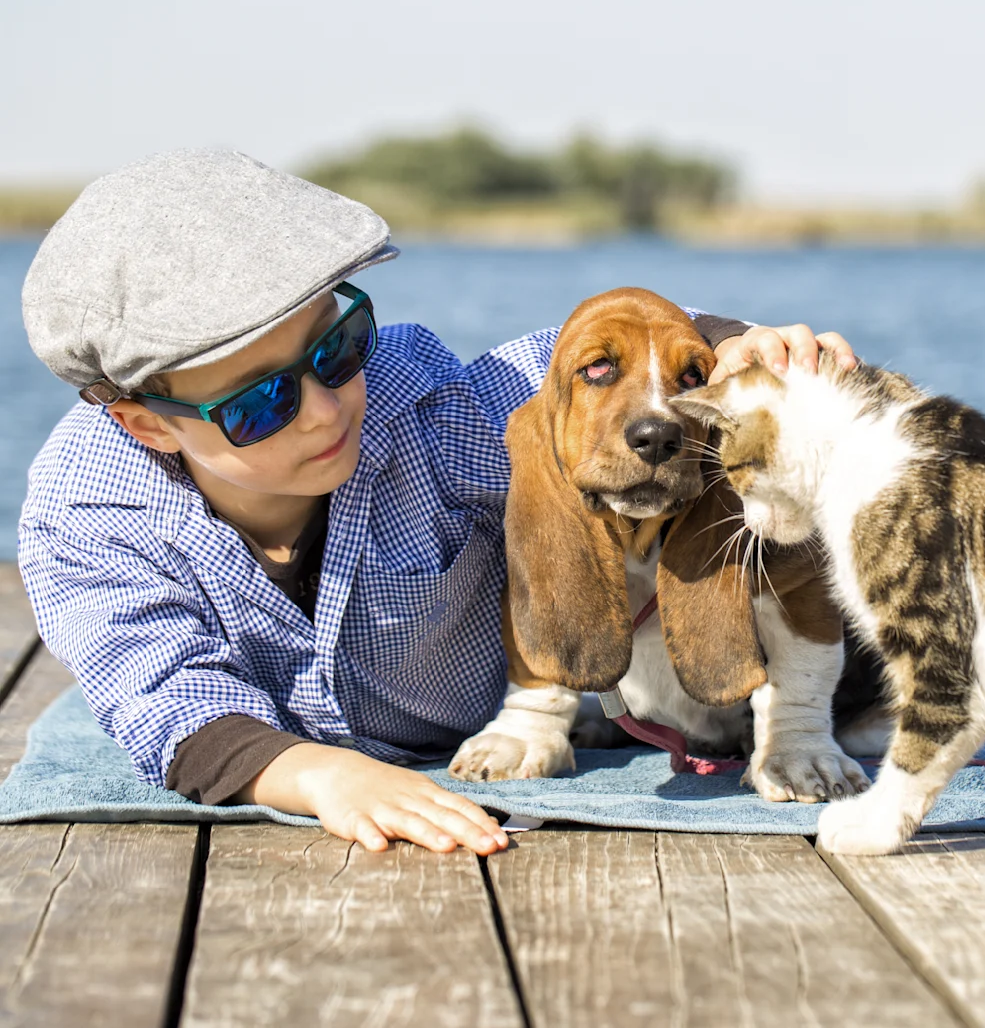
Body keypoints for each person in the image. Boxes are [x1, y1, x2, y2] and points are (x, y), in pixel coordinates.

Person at [17, 148, 856, 856]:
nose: (325, 408)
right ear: (145, 425)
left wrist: (739, 346)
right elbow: (166, 700)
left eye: (337, 349)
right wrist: (320, 775)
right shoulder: (88, 522)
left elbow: (587, 369)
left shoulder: (421, 406)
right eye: (258, 404)